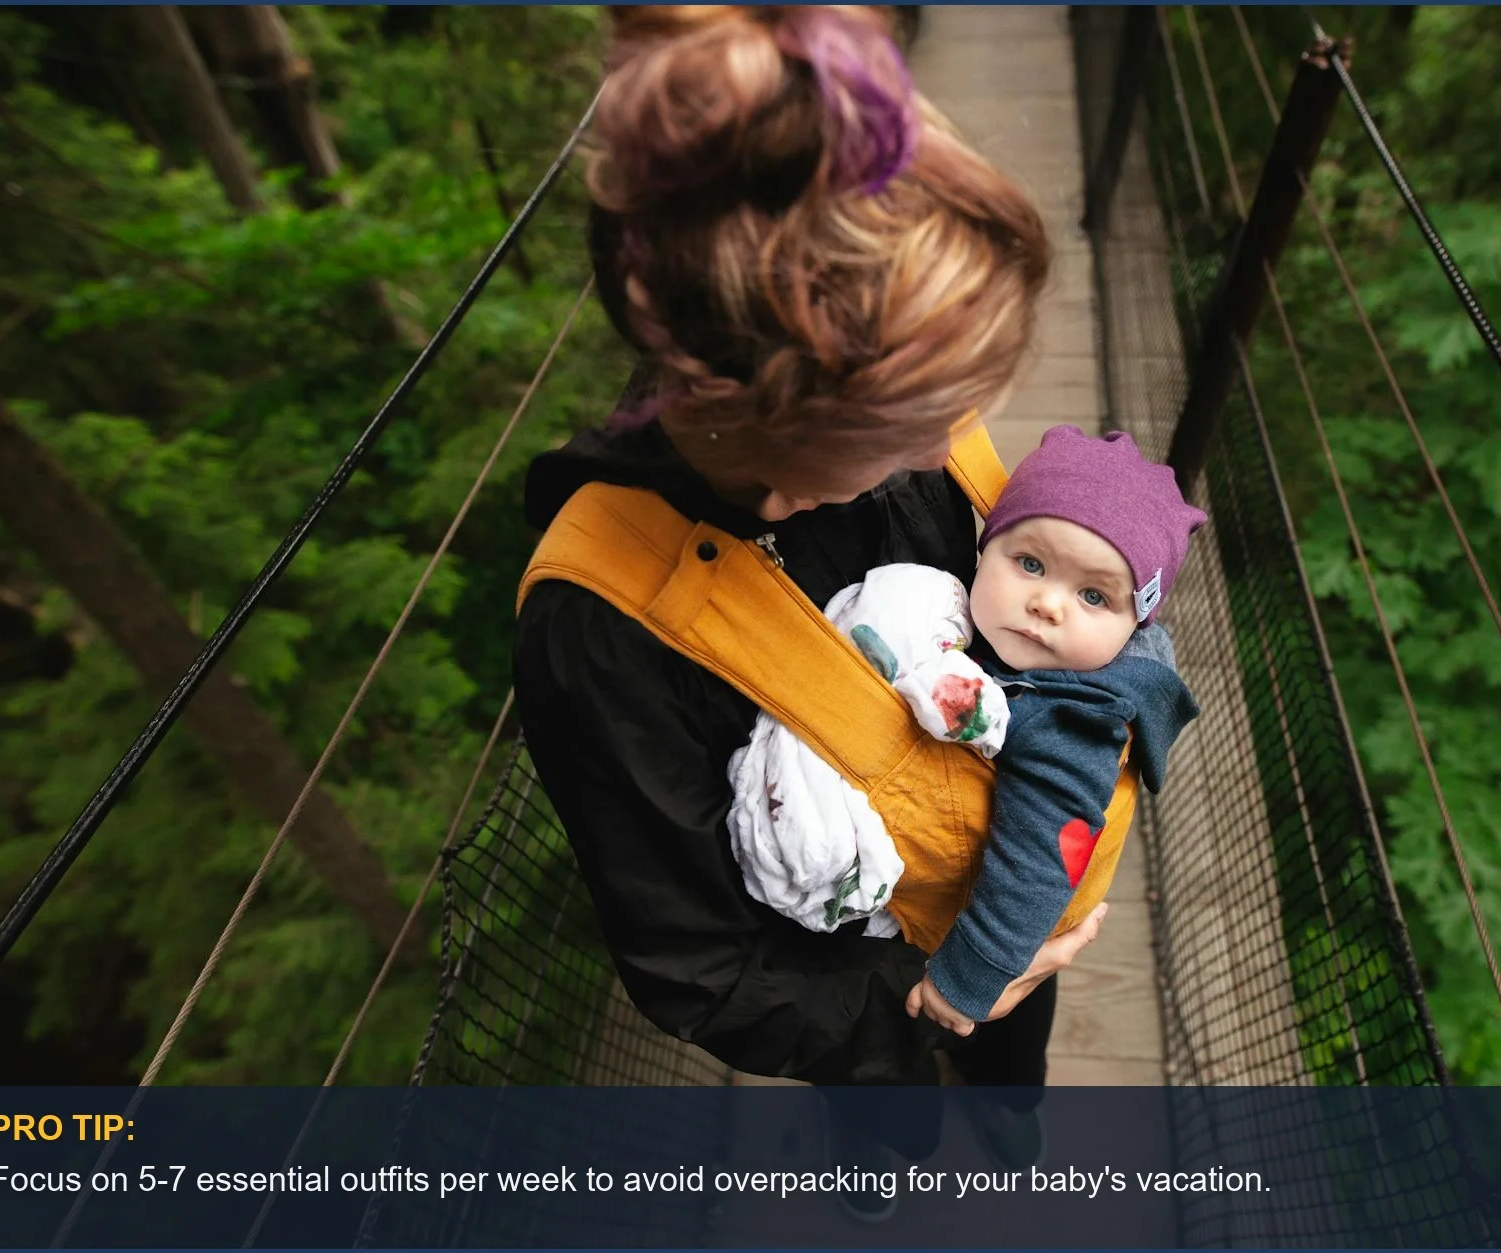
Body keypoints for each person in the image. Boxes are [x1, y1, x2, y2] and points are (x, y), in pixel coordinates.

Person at [511, 4, 1106, 1214]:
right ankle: (884, 1161)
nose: (951, 446)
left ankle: (1005, 1108)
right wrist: (948, 994)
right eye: (910, 428)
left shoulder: (906, 448)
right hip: (856, 989)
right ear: (780, 440)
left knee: (1010, 1056)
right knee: (883, 1106)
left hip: (999, 877)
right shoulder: (603, 627)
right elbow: (701, 966)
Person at [722, 426, 1206, 1040]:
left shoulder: (1071, 720)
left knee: (1005, 1059)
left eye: (1092, 595)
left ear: (1133, 625)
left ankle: (1007, 1117)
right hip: (972, 906)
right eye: (1030, 563)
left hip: (1003, 933)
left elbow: (1047, 852)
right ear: (985, 549)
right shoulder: (1017, 649)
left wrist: (973, 976)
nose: (1048, 605)